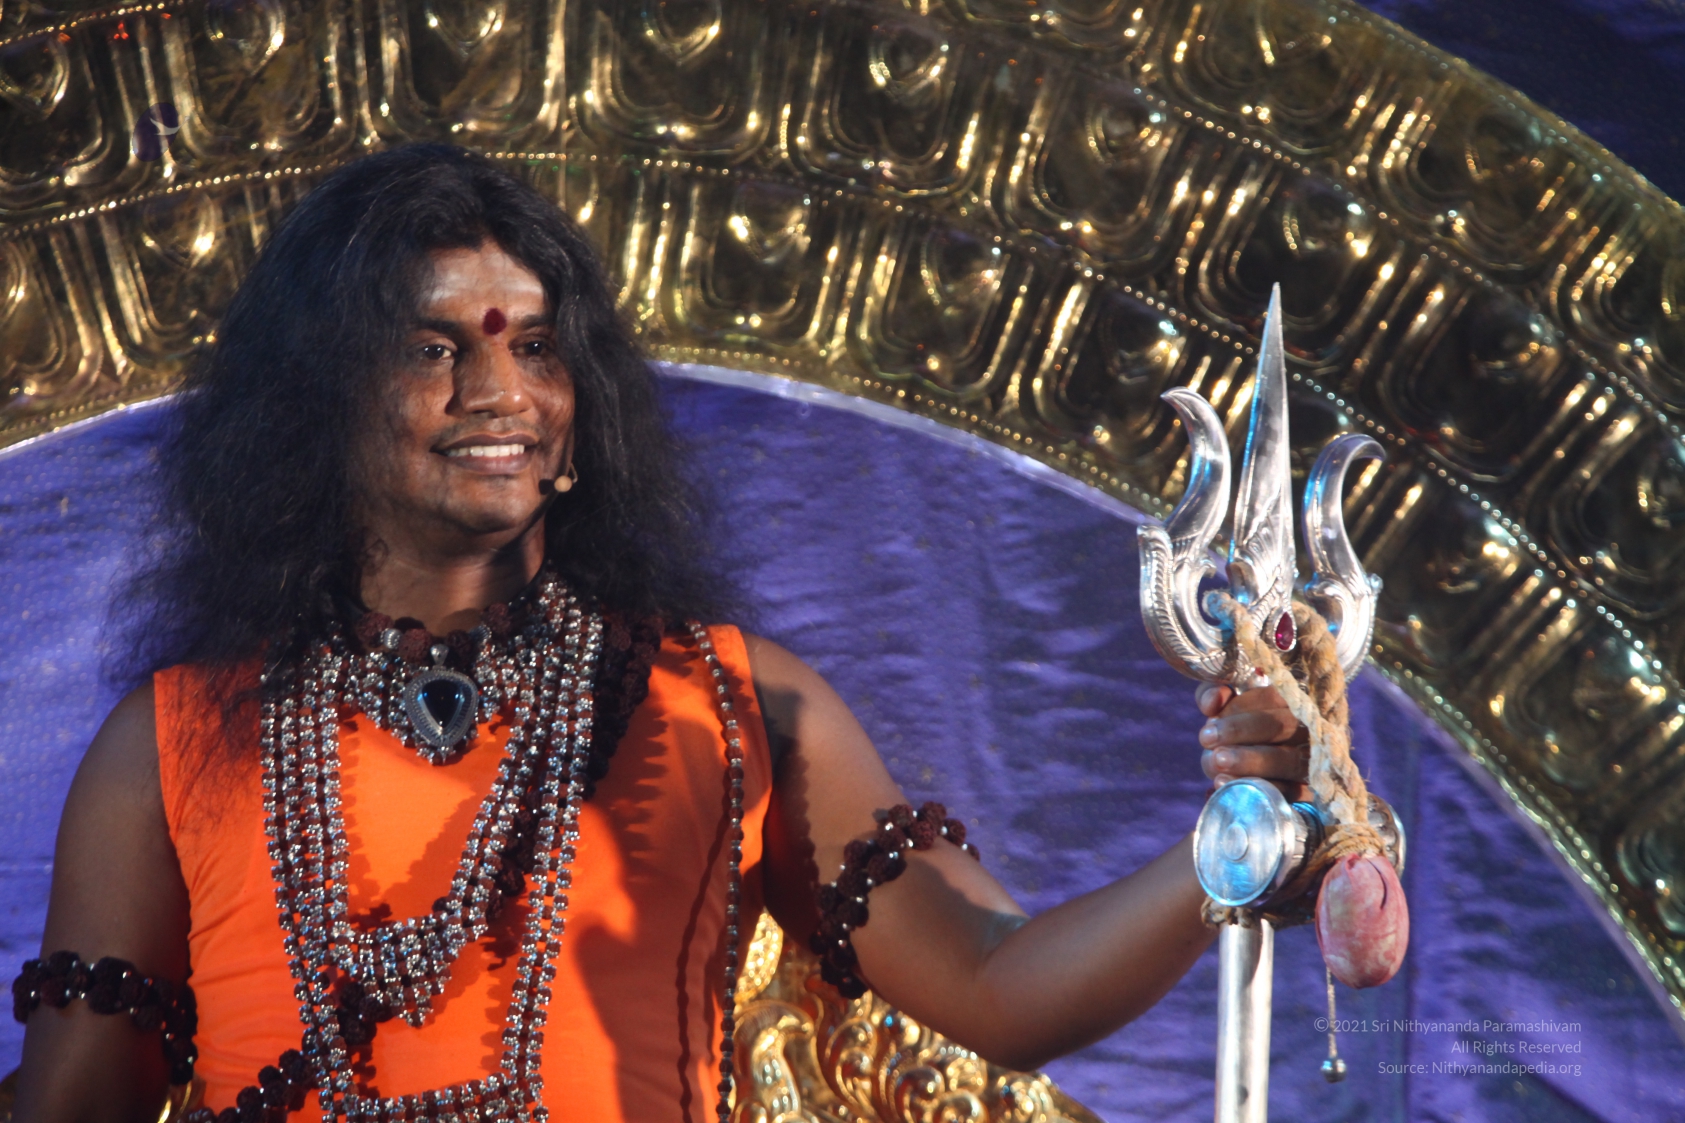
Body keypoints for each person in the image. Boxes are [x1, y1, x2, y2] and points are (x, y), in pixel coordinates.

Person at [9, 145, 1310, 1123]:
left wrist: (1233, 842)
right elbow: (78, 1101)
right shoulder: (174, 741)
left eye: (537, 347)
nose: (501, 392)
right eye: (434, 350)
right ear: (316, 406)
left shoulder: (734, 706)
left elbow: (996, 985)